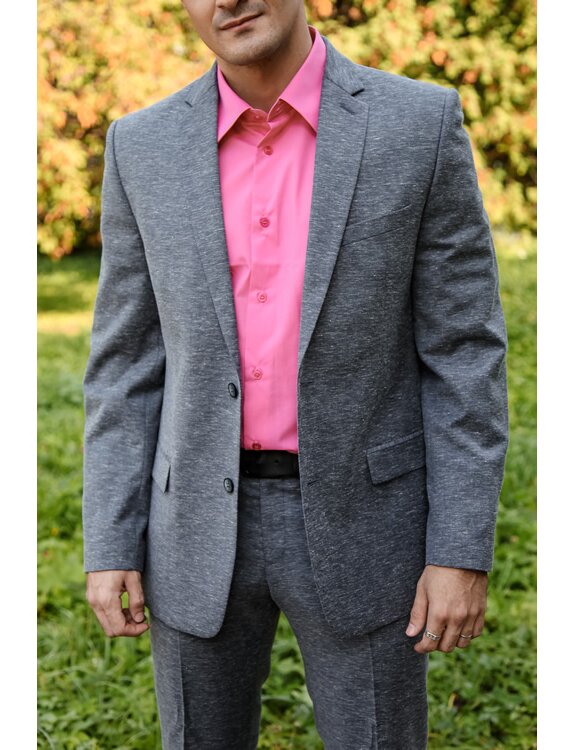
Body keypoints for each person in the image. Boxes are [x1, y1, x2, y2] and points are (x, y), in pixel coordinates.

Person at [81, 1, 509, 747]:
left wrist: (458, 550)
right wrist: (112, 540)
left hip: (371, 529)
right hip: (192, 532)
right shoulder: (141, 147)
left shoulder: (419, 125)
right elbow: (125, 364)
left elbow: (464, 353)